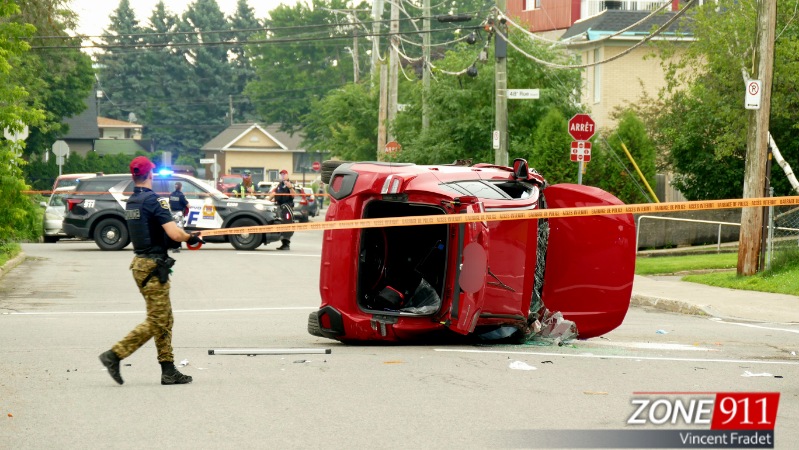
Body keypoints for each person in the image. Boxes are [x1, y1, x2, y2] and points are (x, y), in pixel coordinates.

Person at [98, 156, 204, 386]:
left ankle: (168, 370)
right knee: (158, 320)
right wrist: (191, 237)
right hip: (153, 267)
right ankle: (114, 355)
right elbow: (175, 234)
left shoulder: (133, 201)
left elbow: (154, 231)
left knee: (165, 319)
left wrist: (175, 240)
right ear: (150, 176)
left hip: (141, 264)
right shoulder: (153, 201)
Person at [268, 169, 295, 250]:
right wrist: (268, 200)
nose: (283, 175)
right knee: (282, 225)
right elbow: (274, 193)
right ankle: (283, 243)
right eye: (281, 174)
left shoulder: (291, 184)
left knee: (287, 224)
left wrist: (290, 188)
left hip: (287, 207)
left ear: (287, 175)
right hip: (280, 207)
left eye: (284, 174)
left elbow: (293, 195)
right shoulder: (280, 185)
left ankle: (286, 244)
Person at [168, 182, 189, 253]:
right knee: (179, 230)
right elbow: (188, 205)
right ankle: (176, 246)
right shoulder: (181, 195)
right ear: (181, 187)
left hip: (172, 213)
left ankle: (170, 245)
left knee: (172, 229)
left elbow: (170, 203)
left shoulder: (171, 194)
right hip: (178, 214)